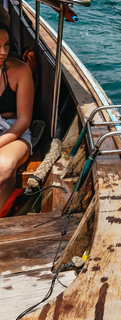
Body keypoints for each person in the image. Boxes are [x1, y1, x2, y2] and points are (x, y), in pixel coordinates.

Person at [0, 23, 35, 211]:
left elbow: (24, 120)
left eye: (6, 45)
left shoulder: (21, 71)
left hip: (15, 131)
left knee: (4, 166)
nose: (3, 51)